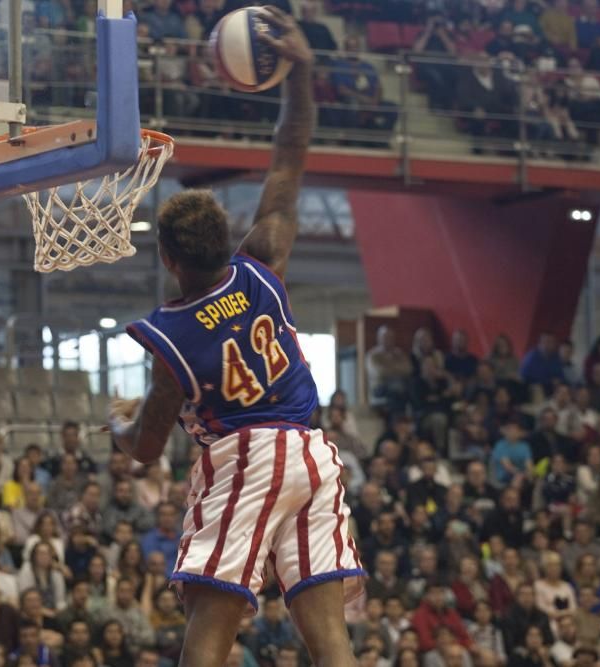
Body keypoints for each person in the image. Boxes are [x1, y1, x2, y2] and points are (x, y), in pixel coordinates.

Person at [108, 16, 361, 667]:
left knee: (209, 619)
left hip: (247, 456)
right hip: (312, 454)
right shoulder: (265, 254)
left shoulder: (172, 338)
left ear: (168, 259)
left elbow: (147, 447)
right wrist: (300, 72)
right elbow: (290, 150)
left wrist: (119, 428)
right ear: (226, 241)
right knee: (328, 632)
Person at [366, 325, 413, 418]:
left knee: (410, 387)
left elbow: (408, 369)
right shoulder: (373, 355)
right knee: (396, 389)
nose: (388, 340)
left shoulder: (399, 353)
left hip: (400, 386)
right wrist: (397, 368)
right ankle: (397, 424)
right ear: (379, 339)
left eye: (390, 337)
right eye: (385, 337)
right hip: (380, 388)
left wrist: (388, 367)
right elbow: (379, 372)